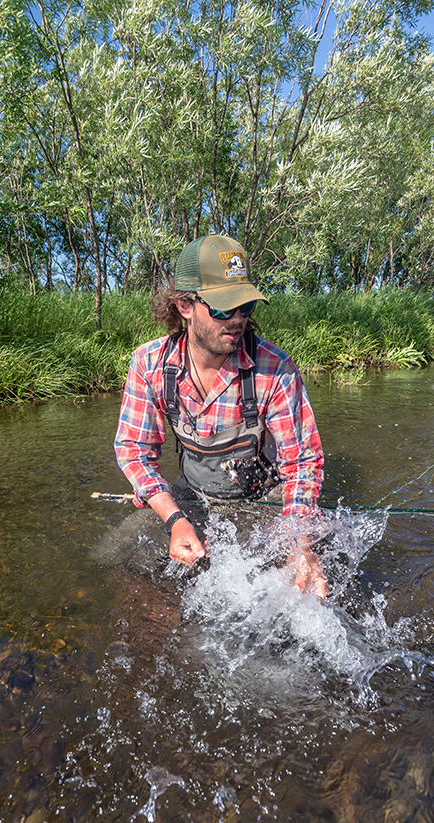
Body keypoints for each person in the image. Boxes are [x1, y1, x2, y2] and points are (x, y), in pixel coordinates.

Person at [114, 234, 327, 599]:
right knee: (119, 559)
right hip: (192, 495)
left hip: (263, 499)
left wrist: (300, 543)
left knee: (300, 584)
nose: (237, 321)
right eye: (223, 309)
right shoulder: (148, 364)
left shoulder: (275, 368)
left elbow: (302, 462)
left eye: (245, 308)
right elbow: (134, 452)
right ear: (184, 305)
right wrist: (175, 518)